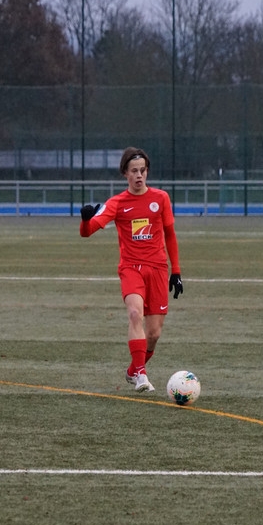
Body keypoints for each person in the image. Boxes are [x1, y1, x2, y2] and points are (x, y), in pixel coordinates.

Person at [79, 147, 183, 393]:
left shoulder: (161, 198)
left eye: (143, 170)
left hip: (157, 269)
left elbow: (170, 234)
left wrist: (176, 272)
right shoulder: (116, 203)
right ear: (125, 173)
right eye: (134, 171)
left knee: (154, 334)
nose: (139, 175)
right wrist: (85, 219)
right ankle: (141, 376)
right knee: (135, 314)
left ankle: (133, 369)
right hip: (131, 268)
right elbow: (88, 231)